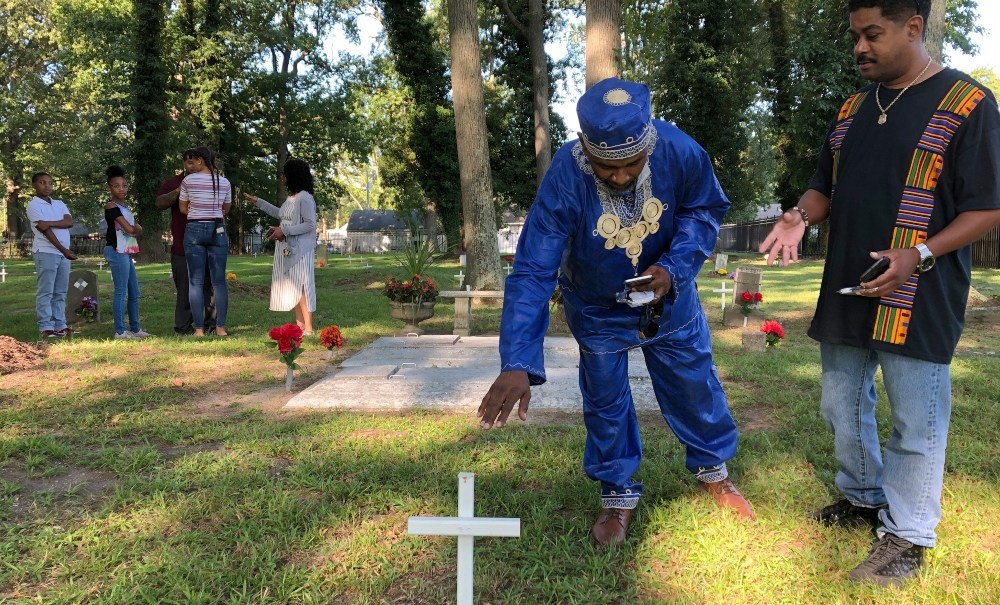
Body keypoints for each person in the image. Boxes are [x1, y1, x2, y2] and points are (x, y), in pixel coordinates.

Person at [758, 0, 1000, 587]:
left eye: (874, 34)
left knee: (917, 418)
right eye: (855, 36)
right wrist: (798, 216)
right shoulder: (852, 109)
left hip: (919, 289)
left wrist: (917, 254)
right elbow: (824, 186)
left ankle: (909, 533)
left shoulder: (967, 102)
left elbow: (988, 207)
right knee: (841, 404)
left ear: (913, 27)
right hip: (847, 281)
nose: (860, 47)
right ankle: (863, 497)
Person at [478, 77, 755, 548]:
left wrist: (674, 266)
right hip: (597, 306)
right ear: (587, 150)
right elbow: (532, 271)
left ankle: (716, 473)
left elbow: (704, 210)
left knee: (694, 384)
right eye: (608, 167)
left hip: (669, 297)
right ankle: (618, 494)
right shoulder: (566, 176)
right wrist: (517, 360)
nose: (621, 176)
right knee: (605, 400)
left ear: (649, 142)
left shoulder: (681, 151)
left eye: (632, 164)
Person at [242, 158, 318, 334]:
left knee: (302, 287)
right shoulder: (291, 199)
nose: (282, 178)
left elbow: (310, 225)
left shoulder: (305, 198)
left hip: (300, 250)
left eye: (285, 174)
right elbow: (279, 213)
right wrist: (257, 201)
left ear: (293, 176)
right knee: (293, 287)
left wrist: (284, 231)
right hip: (287, 248)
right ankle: (299, 326)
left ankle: (309, 327)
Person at [155, 152, 216, 335]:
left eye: (196, 162)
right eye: (189, 162)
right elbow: (159, 203)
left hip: (208, 242)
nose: (192, 166)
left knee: (209, 285)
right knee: (184, 287)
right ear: (183, 163)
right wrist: (177, 191)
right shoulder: (174, 182)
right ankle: (183, 327)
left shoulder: (212, 181)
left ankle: (212, 324)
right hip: (182, 245)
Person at [178, 146, 232, 337]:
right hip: (217, 229)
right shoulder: (224, 182)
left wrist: (197, 209)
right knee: (219, 282)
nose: (191, 165)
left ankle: (199, 329)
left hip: (194, 229)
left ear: (201, 160)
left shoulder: (188, 181)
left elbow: (183, 208)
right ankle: (220, 328)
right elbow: (226, 208)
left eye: (193, 160)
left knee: (196, 282)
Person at [102, 165, 151, 340]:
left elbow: (135, 229)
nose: (121, 189)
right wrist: (136, 228)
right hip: (116, 251)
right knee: (121, 291)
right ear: (110, 187)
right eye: (116, 185)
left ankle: (136, 329)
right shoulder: (111, 206)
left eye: (124, 185)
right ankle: (120, 331)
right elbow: (131, 229)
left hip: (127, 252)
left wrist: (136, 229)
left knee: (134, 292)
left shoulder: (126, 208)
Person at [26, 171, 77, 338]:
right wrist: (64, 250)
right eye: (42, 182)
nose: (47, 186)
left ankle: (60, 325)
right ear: (34, 185)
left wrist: (49, 222)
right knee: (46, 291)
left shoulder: (59, 203)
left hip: (63, 255)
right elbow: (45, 230)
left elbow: (69, 222)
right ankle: (46, 327)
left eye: (50, 183)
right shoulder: (33, 206)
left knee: (60, 291)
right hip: (46, 252)